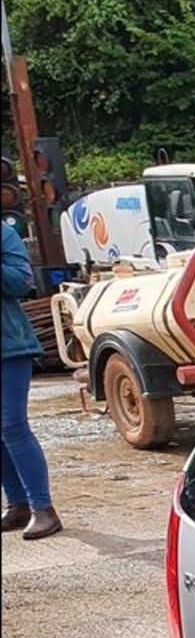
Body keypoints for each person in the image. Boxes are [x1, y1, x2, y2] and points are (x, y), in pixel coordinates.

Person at [2, 222, 59, 539]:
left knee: (12, 425)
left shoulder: (3, 233)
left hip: (8, 347)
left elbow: (22, 283)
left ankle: (43, 509)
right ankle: (18, 505)